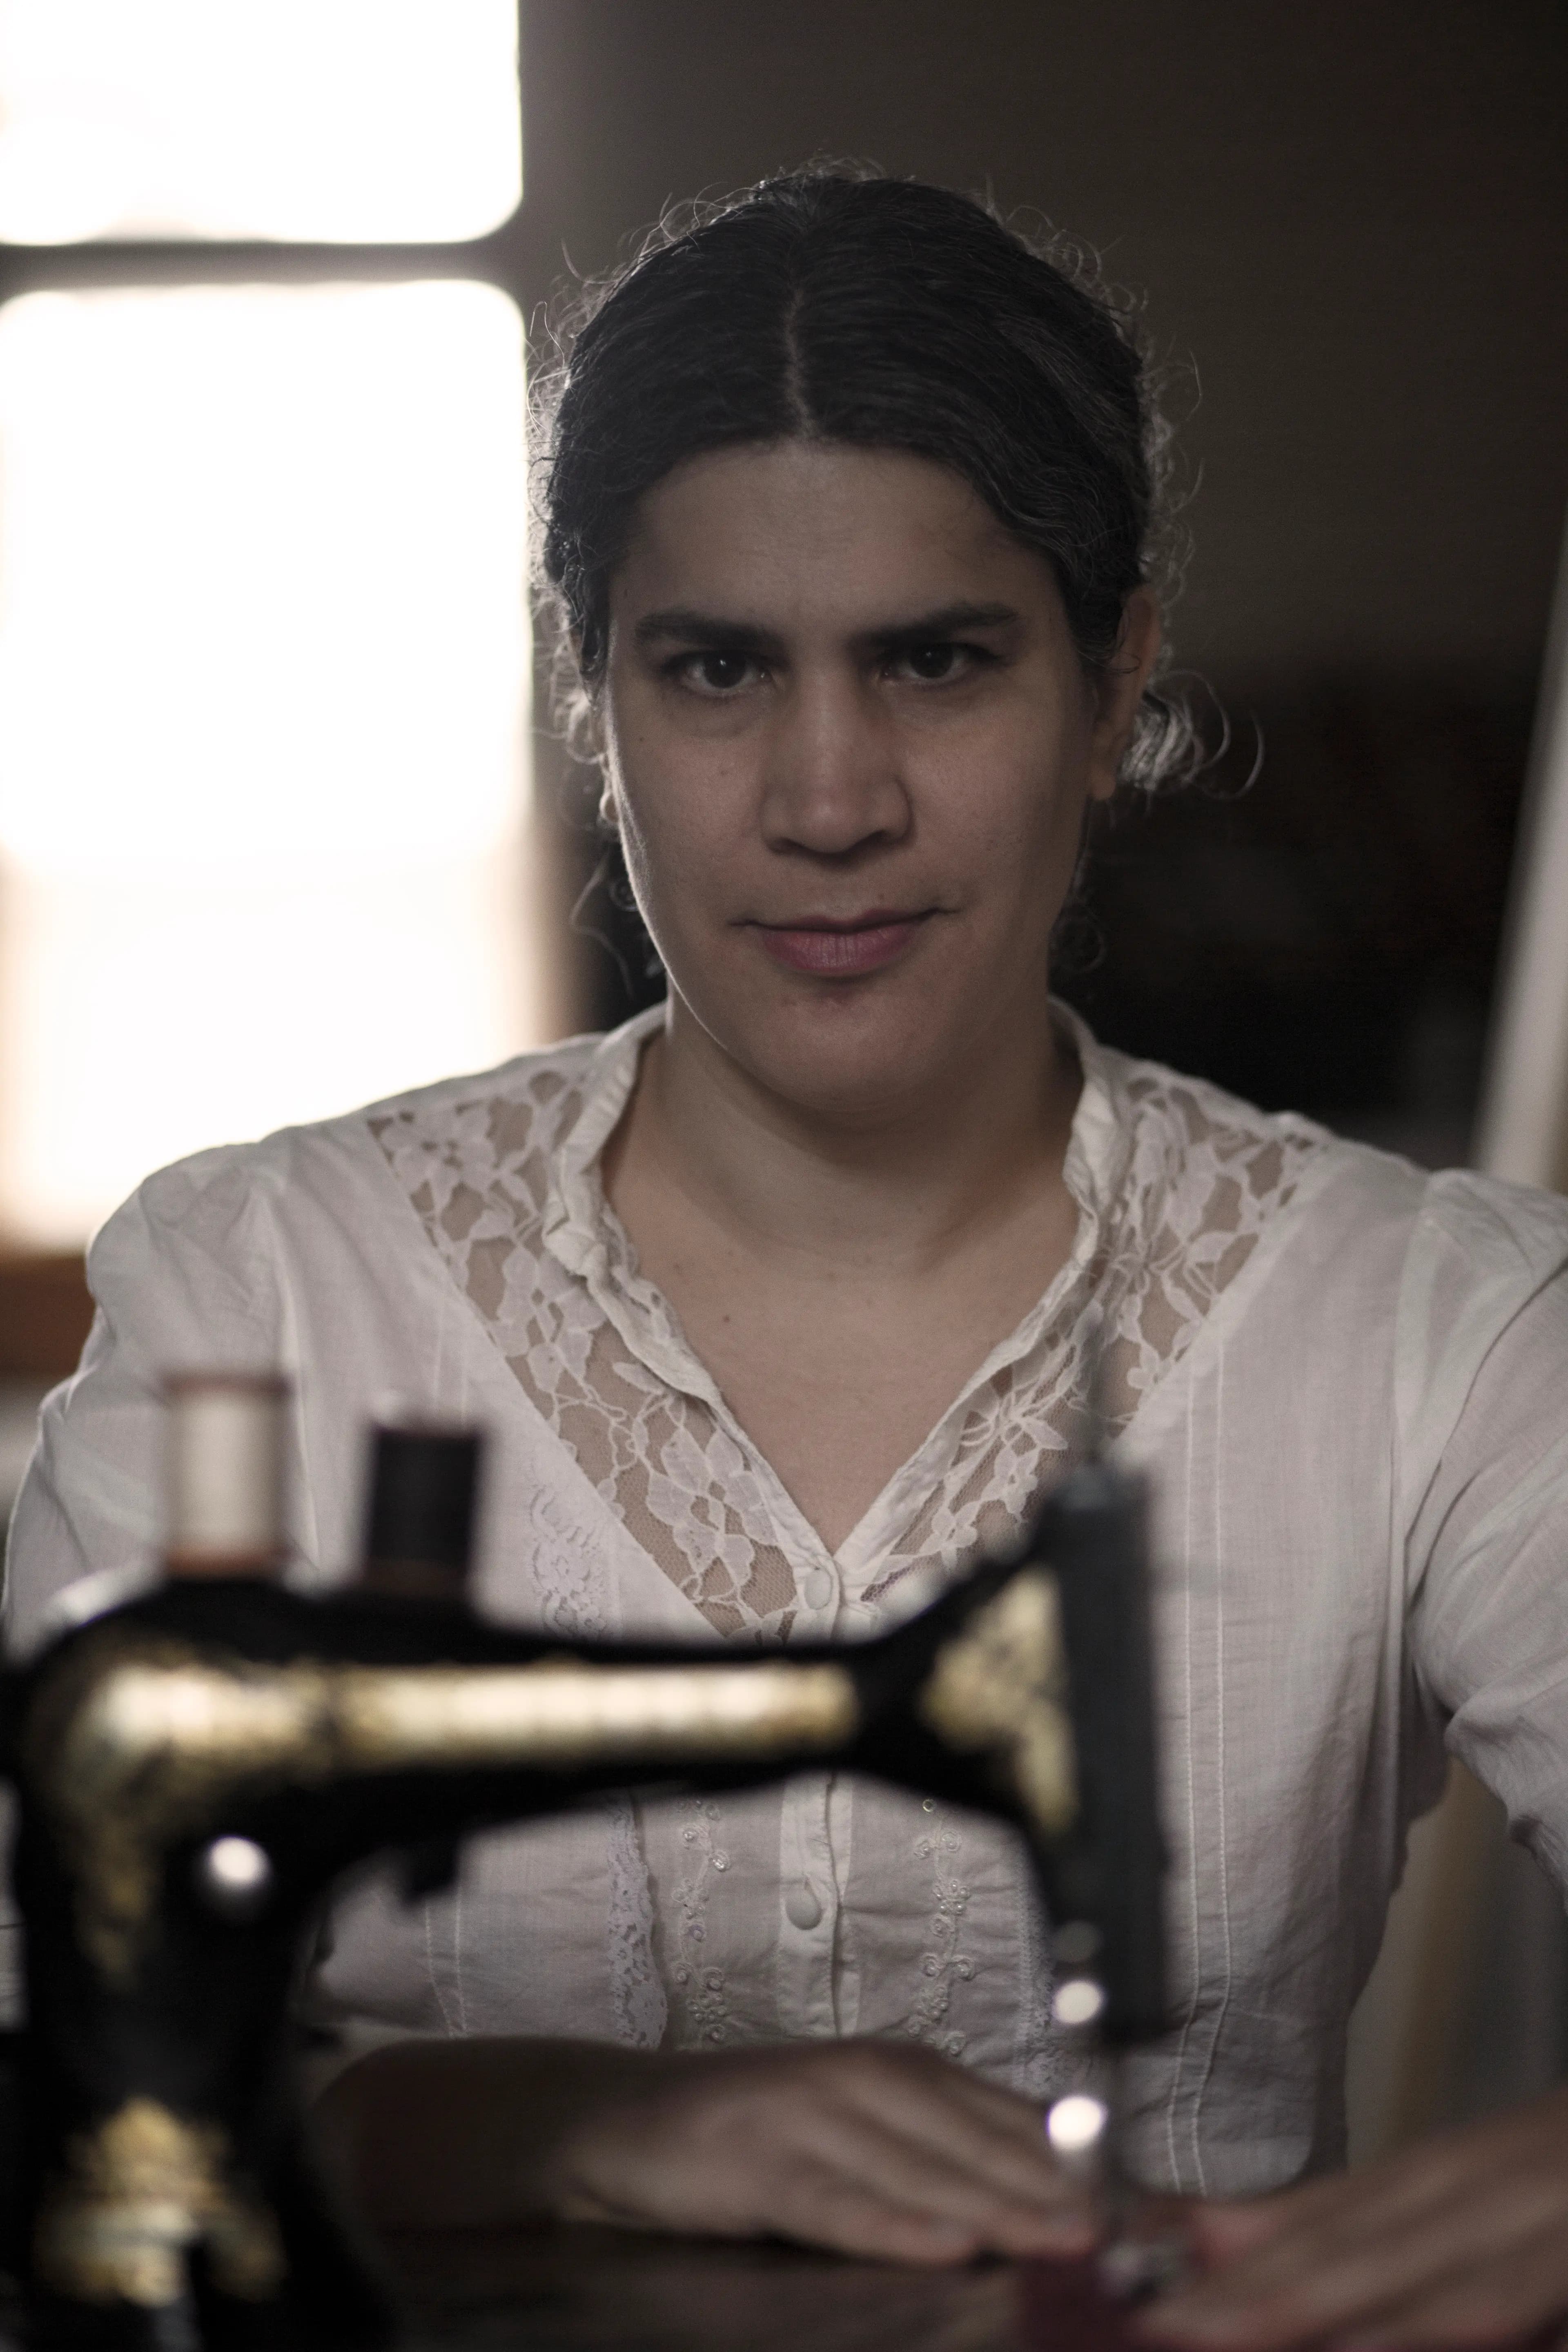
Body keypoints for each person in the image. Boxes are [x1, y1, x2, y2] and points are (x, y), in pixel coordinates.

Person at [7, 169, 1568, 2346]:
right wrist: (551, 2120)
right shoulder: (261, 1295)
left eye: (937, 661)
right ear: (591, 690)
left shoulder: (1439, 1331)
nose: (831, 798)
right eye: (719, 667)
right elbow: (39, 2054)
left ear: (1115, 684)